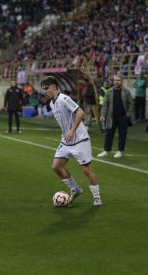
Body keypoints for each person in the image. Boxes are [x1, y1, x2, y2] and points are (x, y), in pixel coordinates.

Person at [40, 76, 102, 206]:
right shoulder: (52, 103)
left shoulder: (64, 99)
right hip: (66, 141)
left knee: (86, 170)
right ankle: (75, 189)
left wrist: (72, 130)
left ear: (55, 87)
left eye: (47, 88)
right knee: (56, 167)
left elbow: (80, 112)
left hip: (79, 139)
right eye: (43, 89)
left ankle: (97, 197)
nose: (45, 91)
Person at [97, 75, 133, 158]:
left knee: (122, 134)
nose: (116, 82)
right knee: (109, 134)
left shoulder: (126, 91)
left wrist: (128, 115)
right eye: (115, 80)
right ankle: (106, 150)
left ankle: (120, 151)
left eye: (118, 80)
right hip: (111, 117)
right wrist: (102, 115)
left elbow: (131, 104)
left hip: (123, 117)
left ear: (121, 81)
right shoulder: (109, 91)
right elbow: (105, 104)